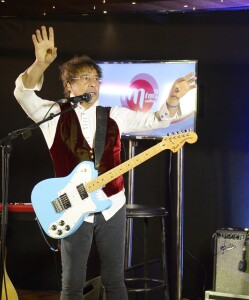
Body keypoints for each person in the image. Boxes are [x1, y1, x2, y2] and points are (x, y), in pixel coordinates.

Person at [14, 26, 196, 300]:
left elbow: (157, 119)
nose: (92, 84)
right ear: (69, 85)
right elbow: (23, 94)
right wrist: (40, 64)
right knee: (72, 284)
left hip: (112, 206)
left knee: (115, 280)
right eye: (85, 78)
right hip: (72, 209)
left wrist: (171, 99)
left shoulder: (115, 115)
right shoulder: (52, 115)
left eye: (96, 79)